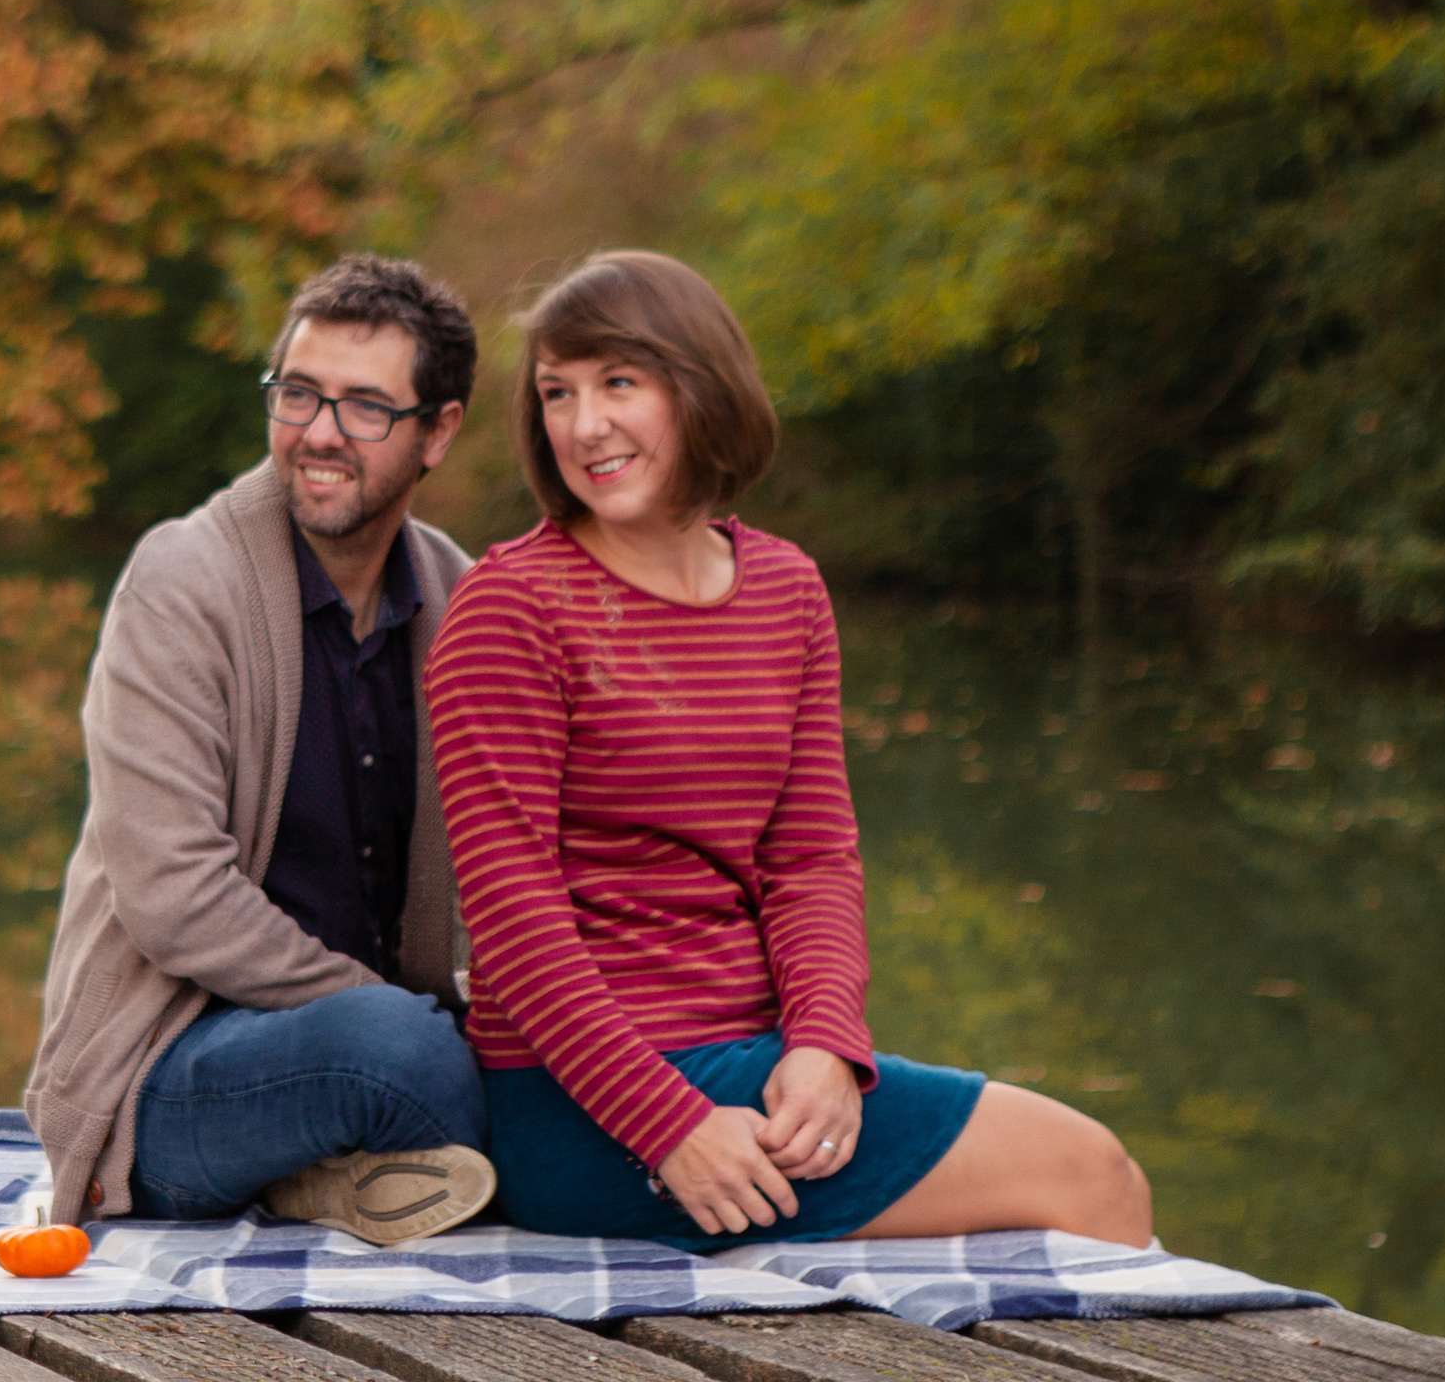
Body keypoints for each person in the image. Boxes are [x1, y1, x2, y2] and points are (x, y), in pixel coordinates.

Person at [426, 249, 1154, 1252]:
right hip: (586, 1104)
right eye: (558, 392)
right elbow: (512, 924)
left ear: (700, 388)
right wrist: (666, 1124)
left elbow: (808, 860)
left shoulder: (785, 590)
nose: (583, 424)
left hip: (759, 1068)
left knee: (1078, 1188)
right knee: (1090, 1176)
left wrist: (825, 1045)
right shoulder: (509, 608)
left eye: (618, 384)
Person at [27, 254, 495, 1244]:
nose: (319, 433)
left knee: (564, 1084)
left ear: (437, 433)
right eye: (297, 394)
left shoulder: (461, 599)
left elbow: (514, 872)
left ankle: (330, 1177)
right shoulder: (183, 580)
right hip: (169, 1072)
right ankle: (365, 1143)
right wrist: (405, 1023)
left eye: (365, 406)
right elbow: (173, 898)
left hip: (364, 1044)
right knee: (403, 1056)